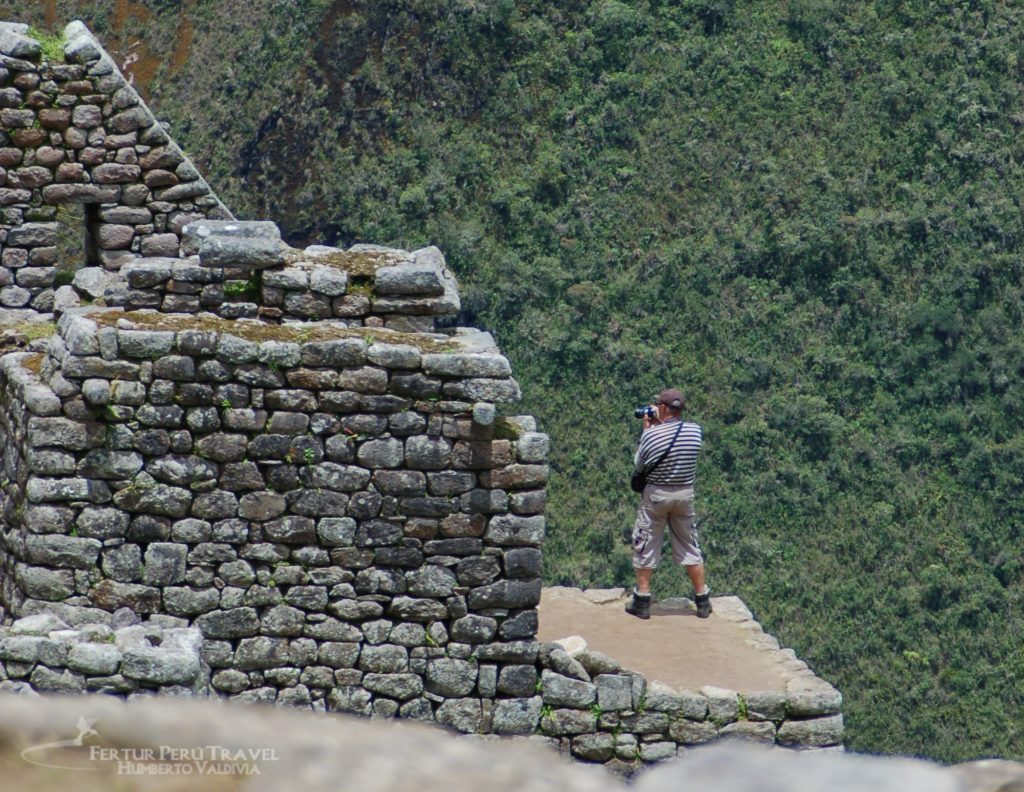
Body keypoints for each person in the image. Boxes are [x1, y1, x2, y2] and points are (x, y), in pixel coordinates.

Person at [626, 388, 710, 619]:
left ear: (662, 408)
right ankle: (702, 600)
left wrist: (648, 429)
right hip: (685, 495)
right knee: (689, 543)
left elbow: (639, 466)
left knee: (646, 541)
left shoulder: (652, 435)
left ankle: (642, 600)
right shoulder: (695, 431)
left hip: (657, 496)